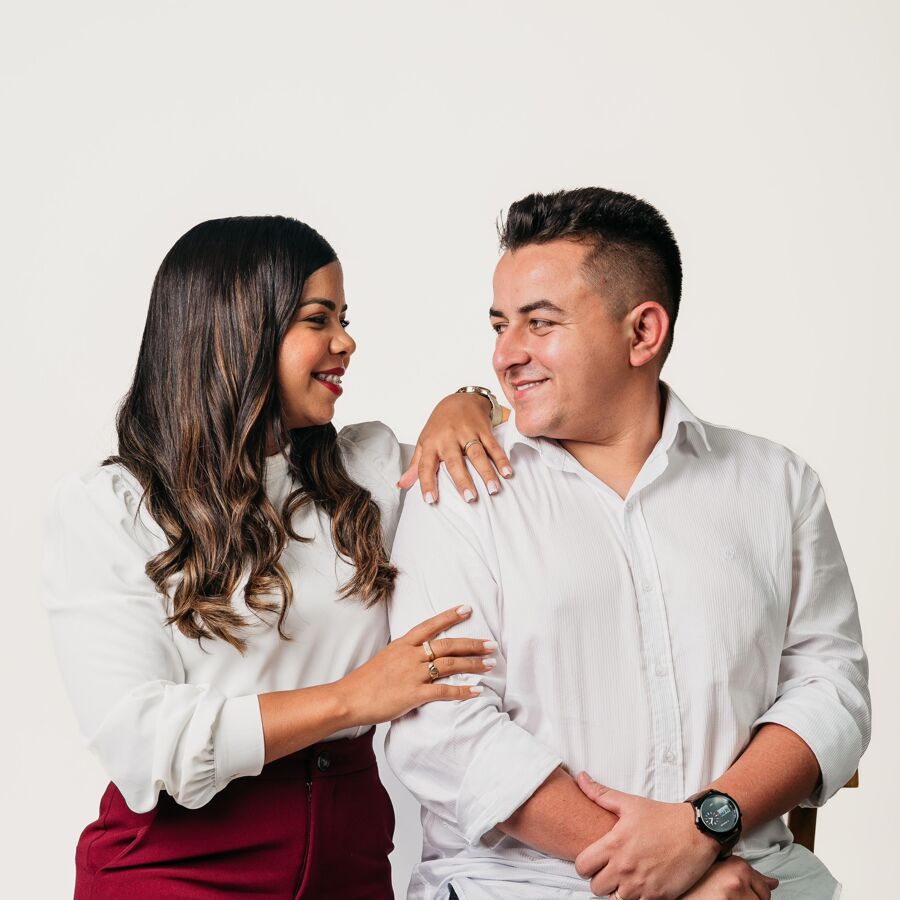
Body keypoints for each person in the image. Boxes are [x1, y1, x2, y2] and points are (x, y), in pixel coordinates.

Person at [386, 188, 870, 900]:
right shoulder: (458, 489)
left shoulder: (776, 483)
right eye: (499, 325)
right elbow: (444, 728)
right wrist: (664, 869)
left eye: (539, 323)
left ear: (643, 332)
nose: (505, 355)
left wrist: (704, 830)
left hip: (754, 877)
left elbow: (830, 689)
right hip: (523, 887)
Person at [42, 215, 515, 899]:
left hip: (351, 859)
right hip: (175, 869)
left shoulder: (366, 471)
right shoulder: (112, 508)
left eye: (344, 319)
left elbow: (508, 466)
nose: (345, 342)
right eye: (317, 320)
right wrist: (352, 697)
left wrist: (468, 401)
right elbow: (144, 743)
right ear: (238, 329)